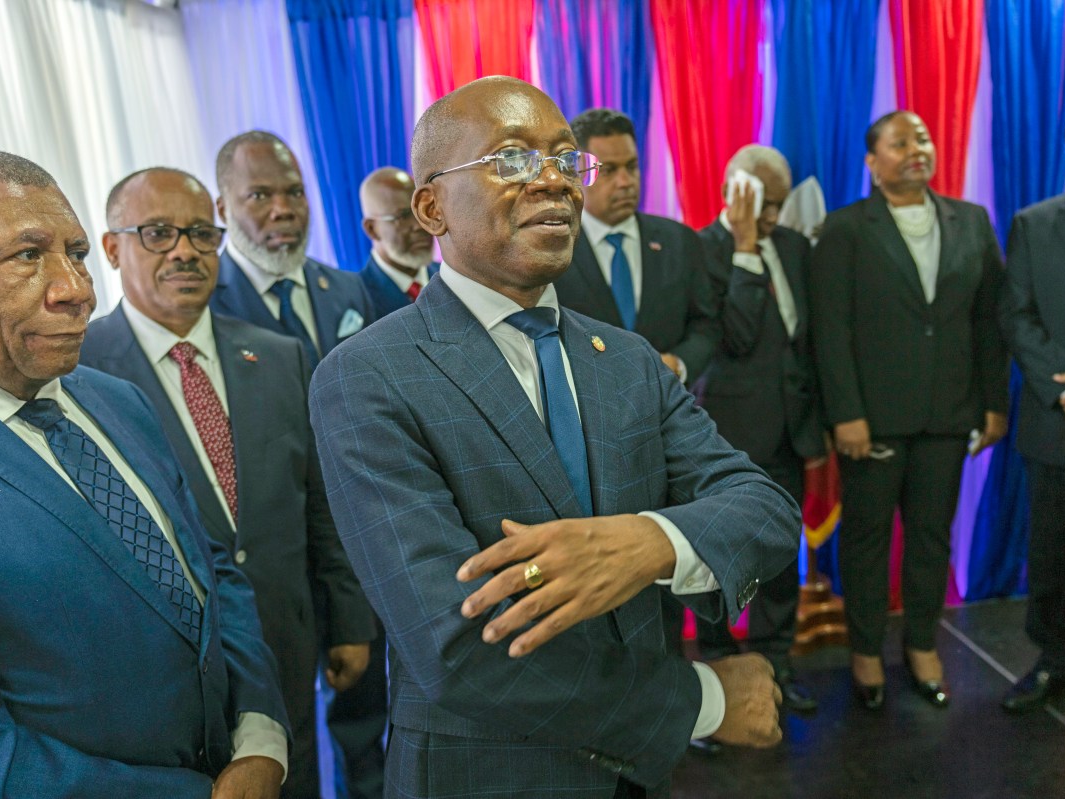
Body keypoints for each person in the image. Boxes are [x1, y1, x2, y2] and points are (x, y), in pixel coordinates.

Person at [309, 76, 799, 798]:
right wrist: (705, 700)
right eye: (511, 160)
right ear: (430, 205)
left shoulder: (627, 358)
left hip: (637, 777)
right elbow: (458, 648)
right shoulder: (365, 377)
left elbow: (765, 508)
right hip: (486, 776)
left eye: (567, 161)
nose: (552, 181)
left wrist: (650, 540)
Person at [0, 147, 289, 797]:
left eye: (76, 254)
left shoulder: (115, 399)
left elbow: (211, 568)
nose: (77, 290)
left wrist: (259, 732)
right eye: (27, 256)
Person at [78, 167, 377, 796]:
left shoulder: (278, 355)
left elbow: (321, 502)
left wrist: (348, 620)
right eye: (157, 233)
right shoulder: (78, 371)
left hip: (288, 642)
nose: (184, 250)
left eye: (199, 234)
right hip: (169, 669)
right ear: (111, 249)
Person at [809, 111, 1009, 710]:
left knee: (931, 538)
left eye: (922, 137)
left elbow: (988, 323)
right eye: (900, 142)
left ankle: (922, 644)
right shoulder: (844, 229)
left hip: (949, 415)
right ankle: (866, 651)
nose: (916, 148)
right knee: (868, 541)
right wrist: (845, 413)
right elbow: (830, 328)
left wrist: (995, 404)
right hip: (872, 420)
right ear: (872, 163)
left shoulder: (971, 221)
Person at [695, 145, 825, 715]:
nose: (773, 216)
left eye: (779, 203)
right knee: (719, 563)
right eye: (762, 203)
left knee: (779, 559)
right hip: (726, 440)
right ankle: (722, 676)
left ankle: (776, 669)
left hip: (791, 436)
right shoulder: (700, 251)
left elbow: (809, 345)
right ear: (732, 190)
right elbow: (739, 337)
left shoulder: (796, 247)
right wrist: (746, 248)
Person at [998, 90, 1065, 712]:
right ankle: (1056, 659)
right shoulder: (1034, 224)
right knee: (1055, 554)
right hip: (1057, 422)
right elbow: (1017, 319)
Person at [553, 107, 716, 387]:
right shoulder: (554, 246)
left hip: (669, 409)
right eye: (609, 170)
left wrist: (679, 364)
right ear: (577, 174)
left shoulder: (680, 240)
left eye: (631, 167)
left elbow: (707, 325)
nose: (625, 182)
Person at [211, 131, 376, 369]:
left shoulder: (347, 288)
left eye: (295, 192)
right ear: (224, 210)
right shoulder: (205, 302)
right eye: (260, 195)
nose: (283, 210)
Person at [359, 166, 438, 317]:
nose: (419, 225)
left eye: (423, 211)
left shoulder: (451, 278)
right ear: (372, 229)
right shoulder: (358, 298)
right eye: (402, 216)